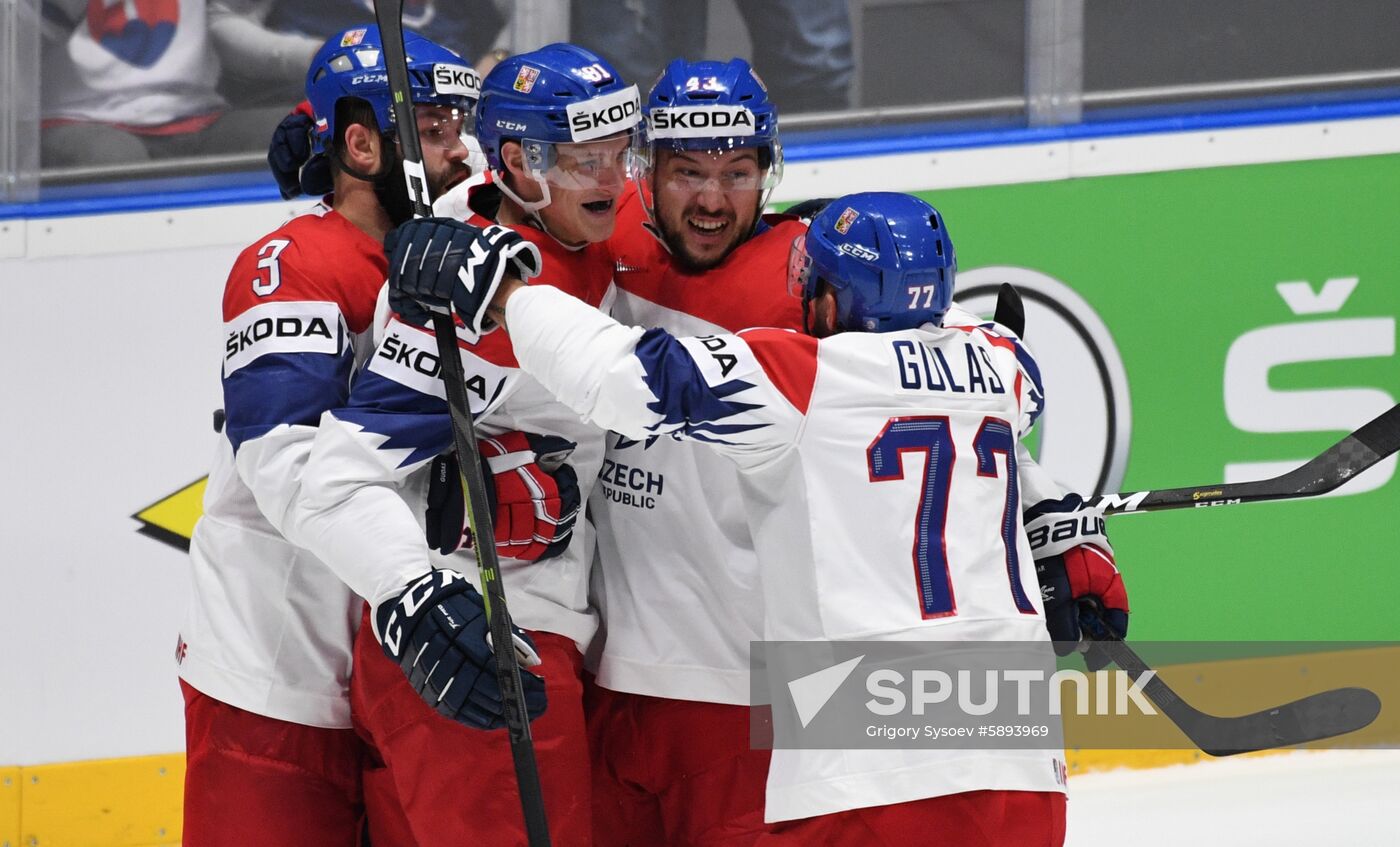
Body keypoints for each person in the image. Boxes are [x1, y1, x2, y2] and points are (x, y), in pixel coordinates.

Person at [386, 191, 1133, 844]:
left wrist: (508, 291)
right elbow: (1001, 389)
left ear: (832, 303)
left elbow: (621, 377)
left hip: (868, 775)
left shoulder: (804, 377)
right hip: (1024, 763)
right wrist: (1056, 518)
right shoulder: (1003, 367)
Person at [176, 24, 563, 846]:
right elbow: (285, 463)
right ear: (359, 142)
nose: (460, 151)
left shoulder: (454, 260)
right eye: (432, 129)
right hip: (275, 669)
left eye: (460, 126)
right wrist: (412, 593)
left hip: (407, 674)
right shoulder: (290, 263)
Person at [280, 43, 642, 846]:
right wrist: (418, 597)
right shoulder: (462, 293)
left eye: (623, 153)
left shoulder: (551, 218)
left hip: (530, 644)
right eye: (588, 161)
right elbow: (335, 481)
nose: (615, 181)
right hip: (479, 656)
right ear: (520, 161)